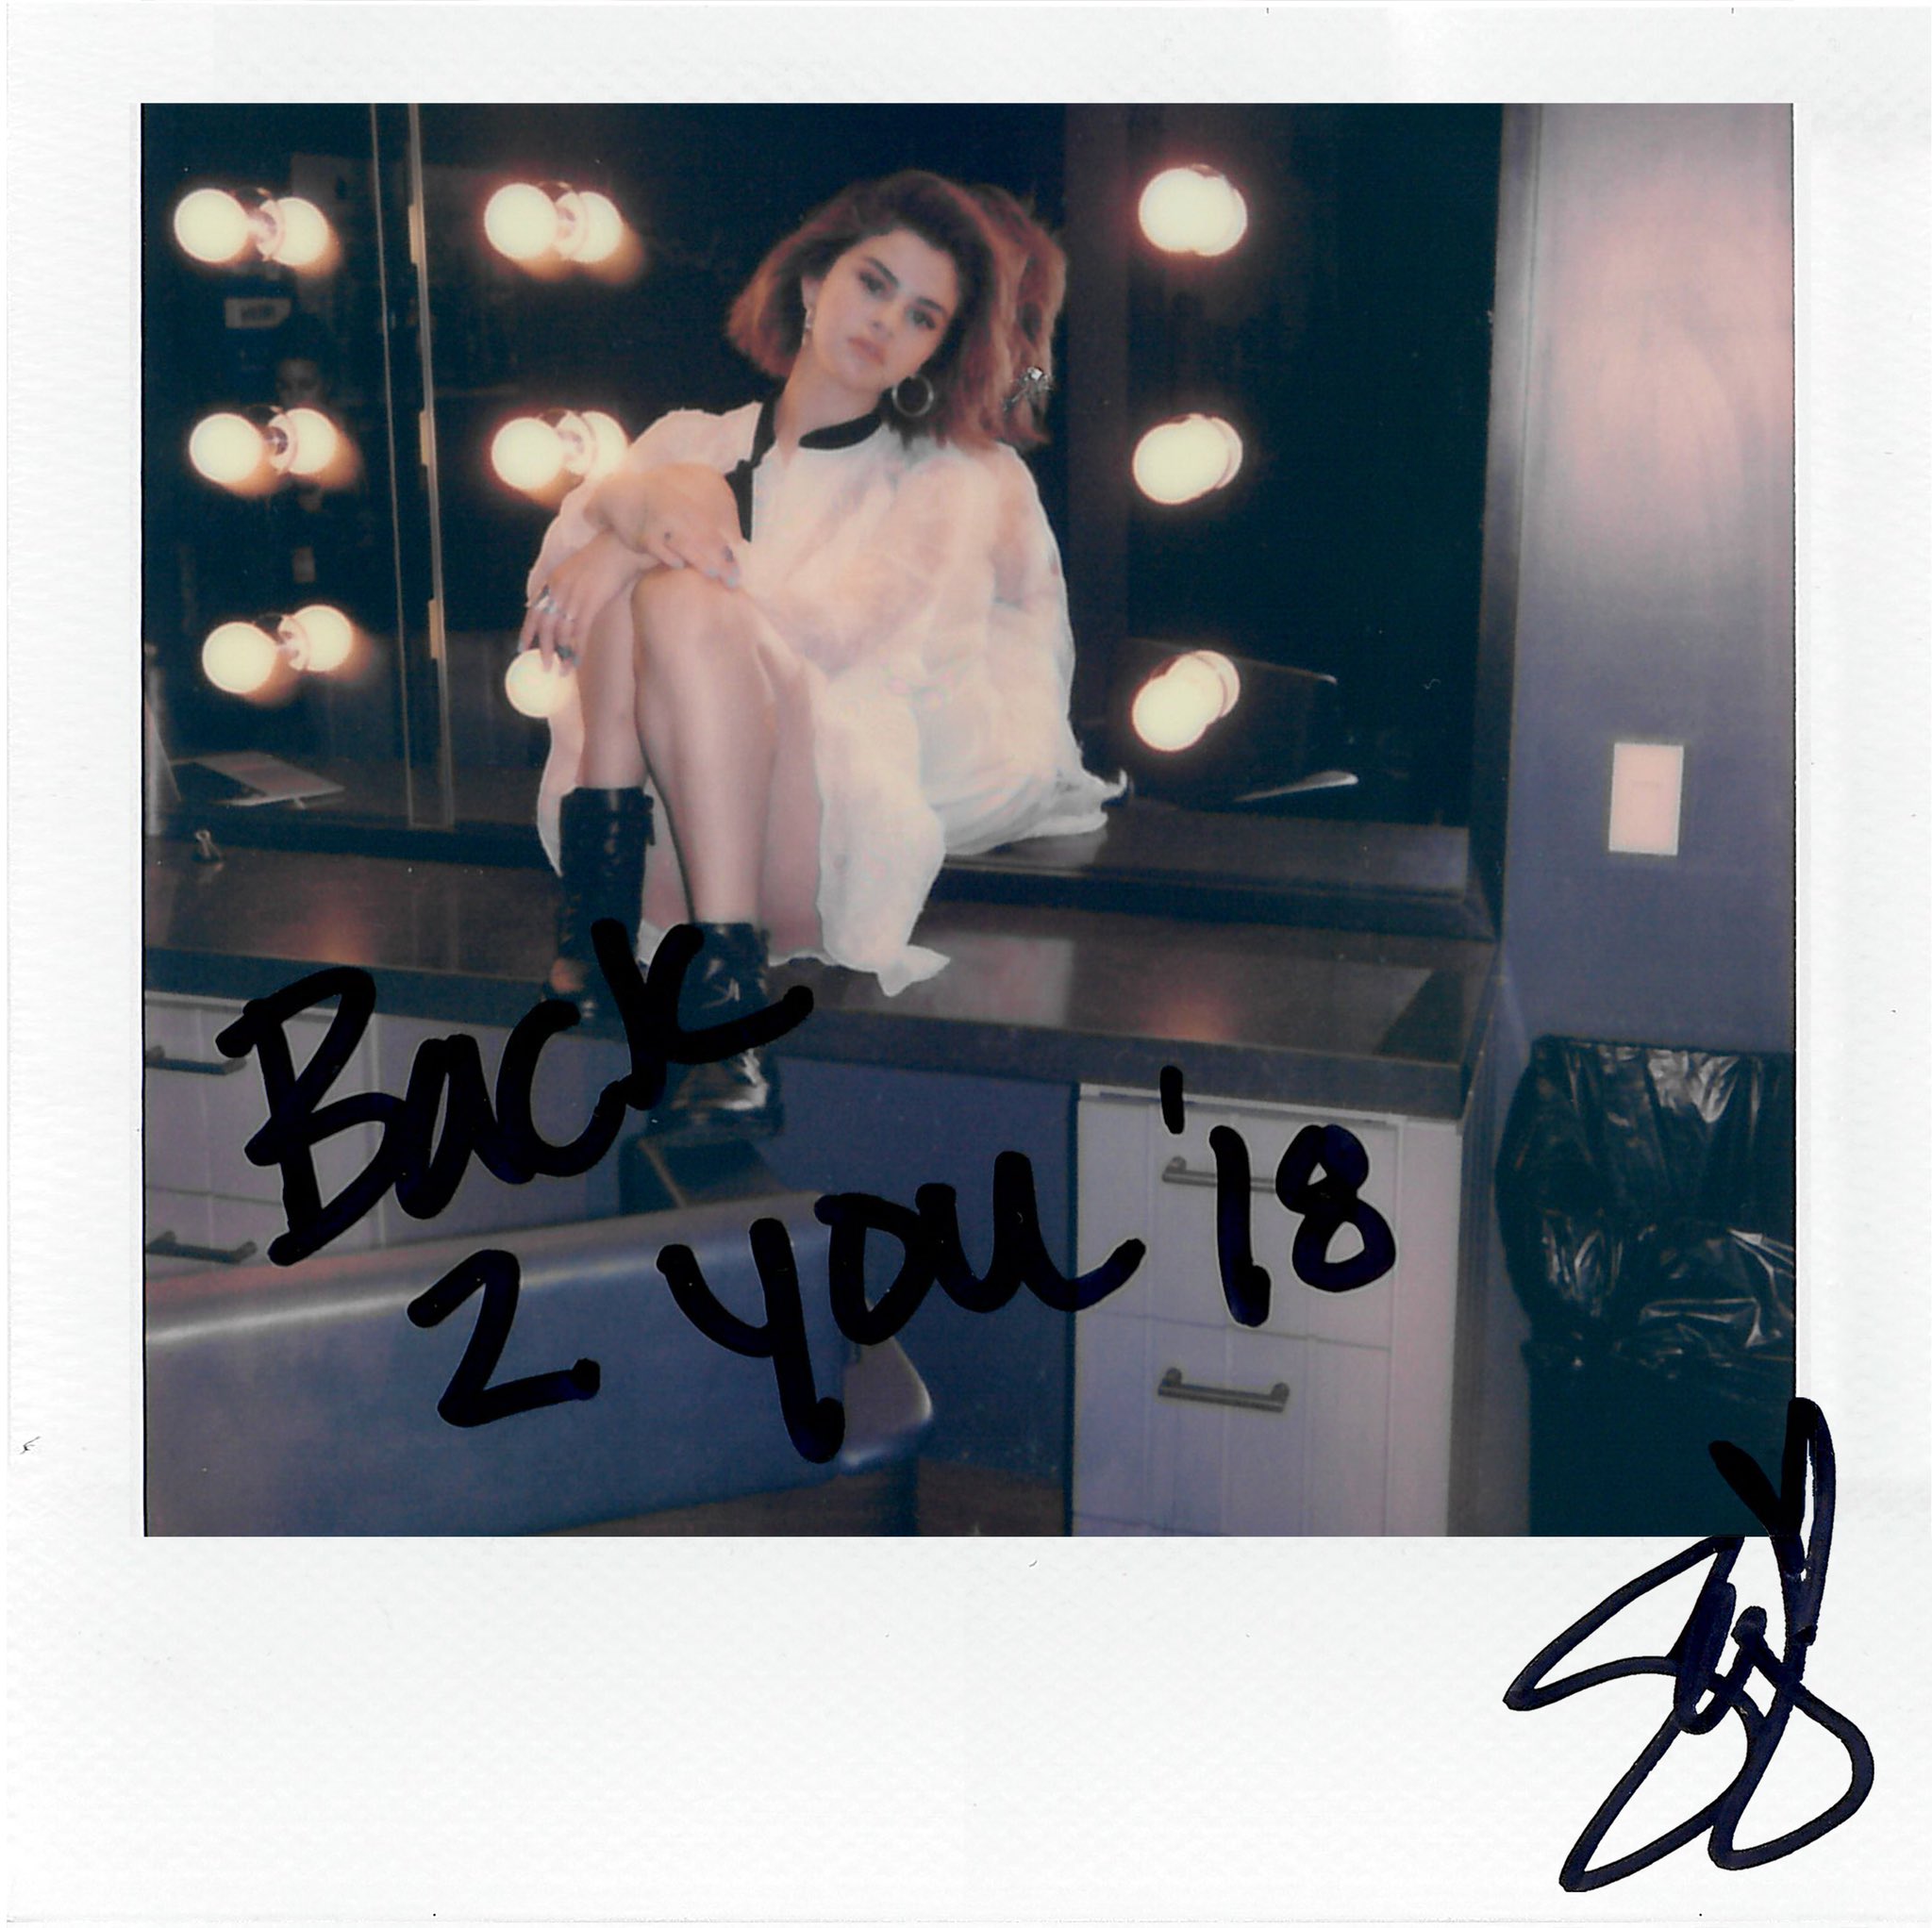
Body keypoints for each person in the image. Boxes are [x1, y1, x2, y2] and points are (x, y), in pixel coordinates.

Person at [519, 171, 1119, 1143]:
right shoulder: (690, 439)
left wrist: (638, 537)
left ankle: (706, 1005)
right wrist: (642, 509)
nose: (885, 321)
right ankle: (622, 936)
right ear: (810, 284)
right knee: (665, 538)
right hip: (654, 835)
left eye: (921, 316)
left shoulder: (951, 477)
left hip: (818, 832)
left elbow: (832, 634)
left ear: (939, 347)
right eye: (872, 284)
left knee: (673, 583)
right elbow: (557, 605)